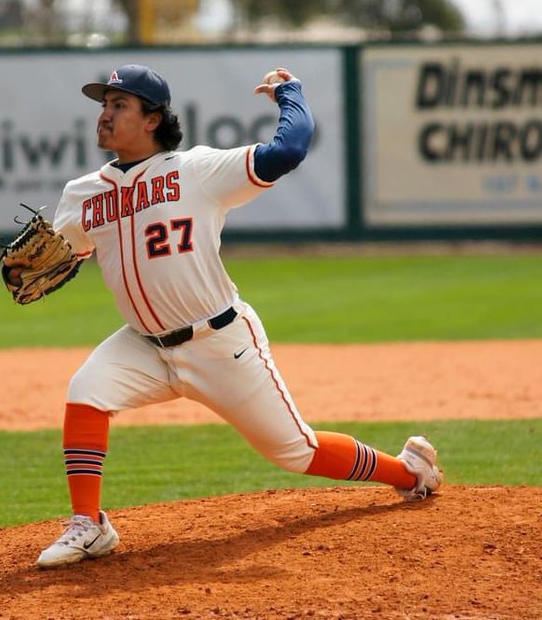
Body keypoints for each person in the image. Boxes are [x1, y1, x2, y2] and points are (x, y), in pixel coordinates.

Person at [33, 63, 442, 569]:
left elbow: (288, 151)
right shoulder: (81, 195)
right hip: (142, 343)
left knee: (296, 450)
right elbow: (62, 255)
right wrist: (47, 261)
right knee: (85, 391)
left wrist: (290, 94)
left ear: (153, 119)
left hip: (219, 340)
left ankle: (408, 471)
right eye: (103, 104)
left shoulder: (196, 171)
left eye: (119, 105)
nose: (104, 115)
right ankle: (89, 526)